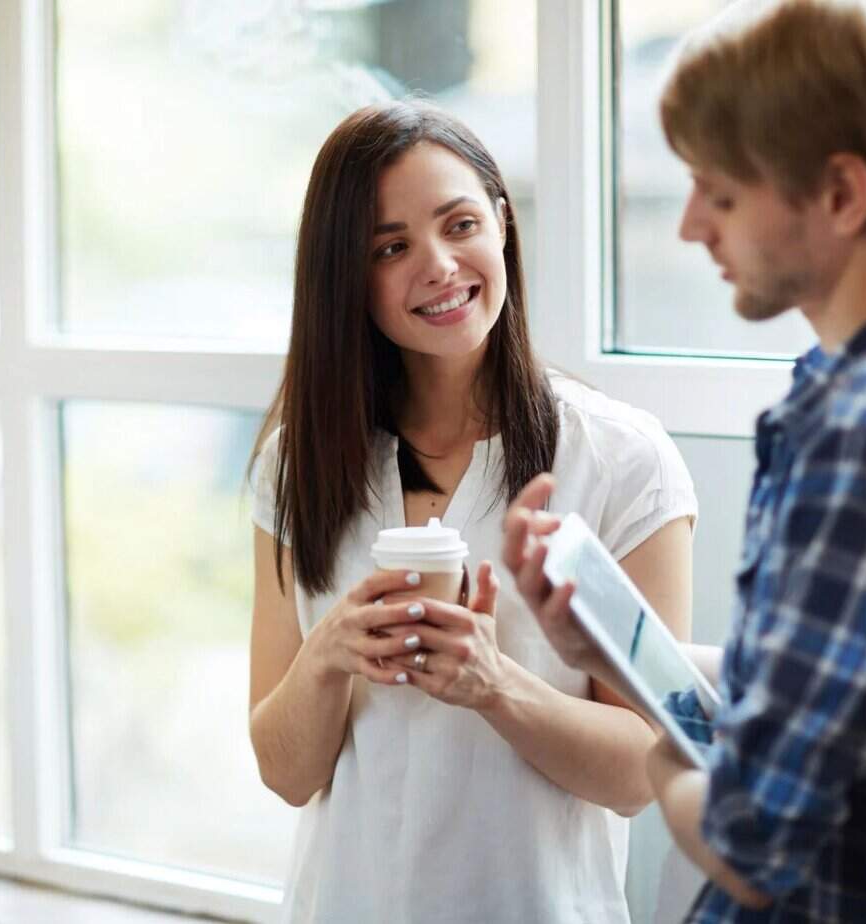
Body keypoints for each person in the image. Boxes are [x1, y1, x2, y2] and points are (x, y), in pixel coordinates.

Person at [507, 1, 866, 921]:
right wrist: (615, 652)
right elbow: (848, 691)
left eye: (722, 193)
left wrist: (659, 746)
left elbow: (745, 834)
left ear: (841, 195)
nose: (692, 226)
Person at [247, 99, 697, 923]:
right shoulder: (298, 463)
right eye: (390, 247)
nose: (439, 265)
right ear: (346, 278)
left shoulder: (621, 459)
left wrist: (495, 685)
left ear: (501, 223)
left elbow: (642, 771)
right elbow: (284, 773)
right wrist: (326, 655)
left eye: (458, 225)